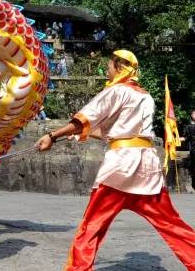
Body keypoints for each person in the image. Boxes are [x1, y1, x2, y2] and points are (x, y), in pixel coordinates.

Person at [35, 50, 195, 270]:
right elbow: (116, 133)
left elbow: (83, 120)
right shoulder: (145, 96)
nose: (107, 71)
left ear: (119, 67)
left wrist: (52, 136)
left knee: (91, 226)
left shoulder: (116, 91)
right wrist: (84, 131)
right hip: (146, 167)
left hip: (119, 168)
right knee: (170, 223)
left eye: (109, 66)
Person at [183, 110, 195, 193]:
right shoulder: (188, 126)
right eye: (194, 113)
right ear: (191, 115)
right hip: (194, 149)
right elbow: (186, 138)